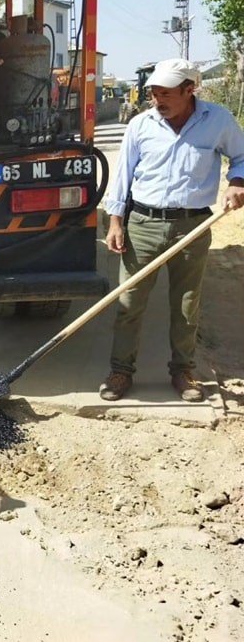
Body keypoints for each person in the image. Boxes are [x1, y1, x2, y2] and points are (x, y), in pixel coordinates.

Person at [100, 58, 244, 403]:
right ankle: (121, 372)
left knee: (186, 304)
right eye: (153, 94)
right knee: (129, 302)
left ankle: (183, 372)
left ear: (189, 90)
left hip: (193, 225)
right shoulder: (141, 124)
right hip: (144, 224)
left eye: (165, 94)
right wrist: (116, 222)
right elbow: (123, 176)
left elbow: (241, 157)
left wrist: (237, 182)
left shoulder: (218, 121)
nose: (157, 101)